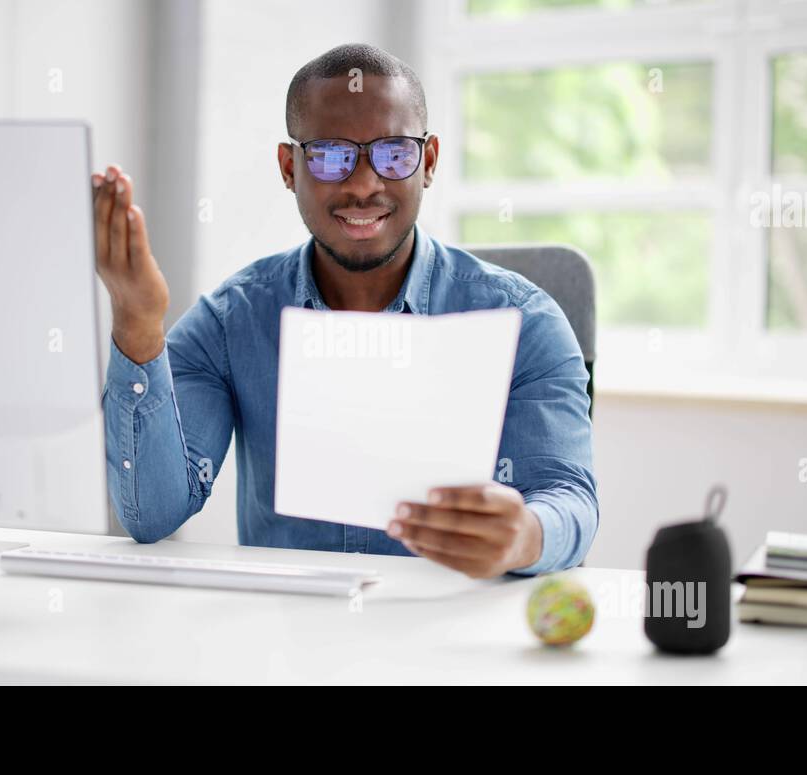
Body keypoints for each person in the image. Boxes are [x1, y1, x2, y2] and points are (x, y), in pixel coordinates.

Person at [91, 43, 597, 578]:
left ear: (428, 163)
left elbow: (569, 499)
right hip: (292, 640)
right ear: (289, 167)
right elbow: (152, 516)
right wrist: (137, 321)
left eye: (394, 153)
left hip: (452, 633)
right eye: (330, 155)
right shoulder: (230, 320)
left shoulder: (526, 322)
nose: (362, 184)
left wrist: (527, 536)